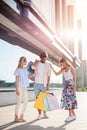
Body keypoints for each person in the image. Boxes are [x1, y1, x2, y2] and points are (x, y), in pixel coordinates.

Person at [50, 58, 78, 122]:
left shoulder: (71, 68)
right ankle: (74, 116)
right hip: (65, 86)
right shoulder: (63, 69)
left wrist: (74, 88)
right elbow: (56, 74)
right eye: (60, 64)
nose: (61, 65)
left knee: (69, 101)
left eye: (62, 64)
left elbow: (74, 78)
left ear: (65, 62)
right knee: (68, 101)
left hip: (70, 86)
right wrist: (52, 68)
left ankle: (70, 116)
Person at [31, 51, 51, 120]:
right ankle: (39, 114)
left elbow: (49, 75)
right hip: (36, 83)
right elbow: (32, 67)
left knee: (44, 100)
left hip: (43, 84)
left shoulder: (48, 64)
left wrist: (48, 85)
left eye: (45, 58)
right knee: (37, 100)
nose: (44, 60)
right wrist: (36, 62)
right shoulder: (37, 63)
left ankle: (45, 113)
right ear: (40, 57)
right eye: (43, 58)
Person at [14, 56, 32, 122]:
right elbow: (17, 80)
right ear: (22, 61)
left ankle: (21, 116)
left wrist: (34, 75)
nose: (26, 62)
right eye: (25, 60)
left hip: (25, 87)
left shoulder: (25, 69)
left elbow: (27, 77)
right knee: (19, 102)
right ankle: (16, 117)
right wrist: (17, 89)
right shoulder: (18, 69)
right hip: (19, 87)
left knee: (26, 102)